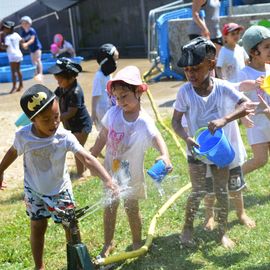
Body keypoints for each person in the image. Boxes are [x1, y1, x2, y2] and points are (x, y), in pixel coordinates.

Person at [0, 84, 117, 270]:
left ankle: (77, 263)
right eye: (46, 119)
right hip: (34, 191)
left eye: (56, 116)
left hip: (60, 191)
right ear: (32, 120)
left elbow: (86, 157)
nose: (54, 123)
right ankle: (39, 266)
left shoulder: (64, 136)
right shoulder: (23, 136)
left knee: (71, 228)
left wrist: (108, 179)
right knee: (38, 227)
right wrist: (1, 170)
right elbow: (12, 153)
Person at [171, 37, 257, 249]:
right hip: (197, 150)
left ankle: (221, 233)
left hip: (219, 151)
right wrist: (186, 138)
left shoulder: (222, 87)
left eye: (196, 68)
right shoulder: (185, 92)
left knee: (221, 191)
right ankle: (188, 227)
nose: (190, 74)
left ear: (211, 64)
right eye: (187, 69)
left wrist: (224, 119)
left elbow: (246, 104)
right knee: (198, 191)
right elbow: (175, 121)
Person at [90, 65, 172, 257]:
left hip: (132, 174)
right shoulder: (113, 113)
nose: (120, 101)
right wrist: (93, 154)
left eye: (124, 96)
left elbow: (157, 138)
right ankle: (108, 243)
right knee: (109, 207)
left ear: (138, 91)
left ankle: (137, 242)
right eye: (117, 97)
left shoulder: (143, 121)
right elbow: (103, 135)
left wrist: (165, 155)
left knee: (131, 209)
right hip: (111, 171)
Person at [205, 22, 255, 230]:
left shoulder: (226, 88)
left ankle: (241, 212)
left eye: (238, 33)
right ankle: (209, 216)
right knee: (210, 186)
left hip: (231, 146)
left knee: (235, 184)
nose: (236, 35)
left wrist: (254, 83)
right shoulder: (193, 94)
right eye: (232, 33)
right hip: (211, 150)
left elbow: (241, 89)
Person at [48, 58, 92, 178]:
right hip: (71, 126)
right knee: (78, 149)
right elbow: (53, 98)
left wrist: (55, 119)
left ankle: (81, 174)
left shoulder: (76, 92)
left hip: (81, 125)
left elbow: (71, 112)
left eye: (60, 80)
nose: (58, 83)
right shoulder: (62, 88)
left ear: (71, 77)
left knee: (77, 150)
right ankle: (87, 165)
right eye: (57, 80)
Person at [237, 25, 270, 176]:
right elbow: (234, 97)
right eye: (267, 47)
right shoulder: (244, 74)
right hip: (257, 124)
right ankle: (235, 176)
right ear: (253, 52)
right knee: (260, 160)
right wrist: (243, 116)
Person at [92, 43, 119, 130]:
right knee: (105, 132)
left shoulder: (108, 73)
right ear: (108, 61)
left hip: (110, 106)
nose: (116, 63)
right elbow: (95, 96)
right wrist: (93, 114)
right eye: (114, 60)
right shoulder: (99, 76)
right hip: (102, 110)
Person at [0, 21, 24, 93]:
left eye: (5, 28)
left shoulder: (7, 37)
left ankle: (14, 87)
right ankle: (21, 85)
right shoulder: (16, 34)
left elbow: (5, 47)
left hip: (12, 56)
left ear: (9, 29)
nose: (3, 30)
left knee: (13, 72)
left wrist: (0, 43)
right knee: (18, 70)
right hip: (19, 54)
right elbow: (22, 40)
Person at [20, 16, 43, 80]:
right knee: (33, 61)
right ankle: (35, 74)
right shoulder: (23, 33)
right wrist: (24, 45)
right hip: (31, 49)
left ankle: (40, 73)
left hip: (37, 47)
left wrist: (26, 44)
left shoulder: (32, 30)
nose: (24, 25)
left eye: (25, 23)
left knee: (38, 59)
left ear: (29, 23)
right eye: (22, 23)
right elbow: (22, 41)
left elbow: (32, 39)